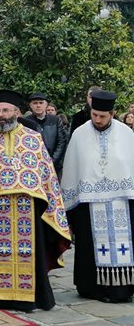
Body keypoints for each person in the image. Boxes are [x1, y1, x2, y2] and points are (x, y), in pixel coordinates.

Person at [0, 89, 71, 311]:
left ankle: (33, 298)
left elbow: (46, 174)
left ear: (16, 112)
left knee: (31, 253)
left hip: (29, 208)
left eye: (5, 110)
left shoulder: (33, 139)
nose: (0, 115)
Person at [62, 90, 134, 303]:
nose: (98, 120)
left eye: (102, 116)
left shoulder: (126, 134)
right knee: (90, 246)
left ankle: (123, 288)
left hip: (122, 201)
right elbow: (73, 168)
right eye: (94, 115)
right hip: (88, 204)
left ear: (112, 113)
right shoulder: (79, 134)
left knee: (125, 245)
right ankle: (91, 287)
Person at [25, 92, 67, 172]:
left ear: (46, 104)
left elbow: (61, 141)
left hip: (54, 166)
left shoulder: (55, 120)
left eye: (41, 103)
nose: (38, 105)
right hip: (33, 166)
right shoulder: (26, 121)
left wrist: (52, 161)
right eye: (35, 103)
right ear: (30, 105)